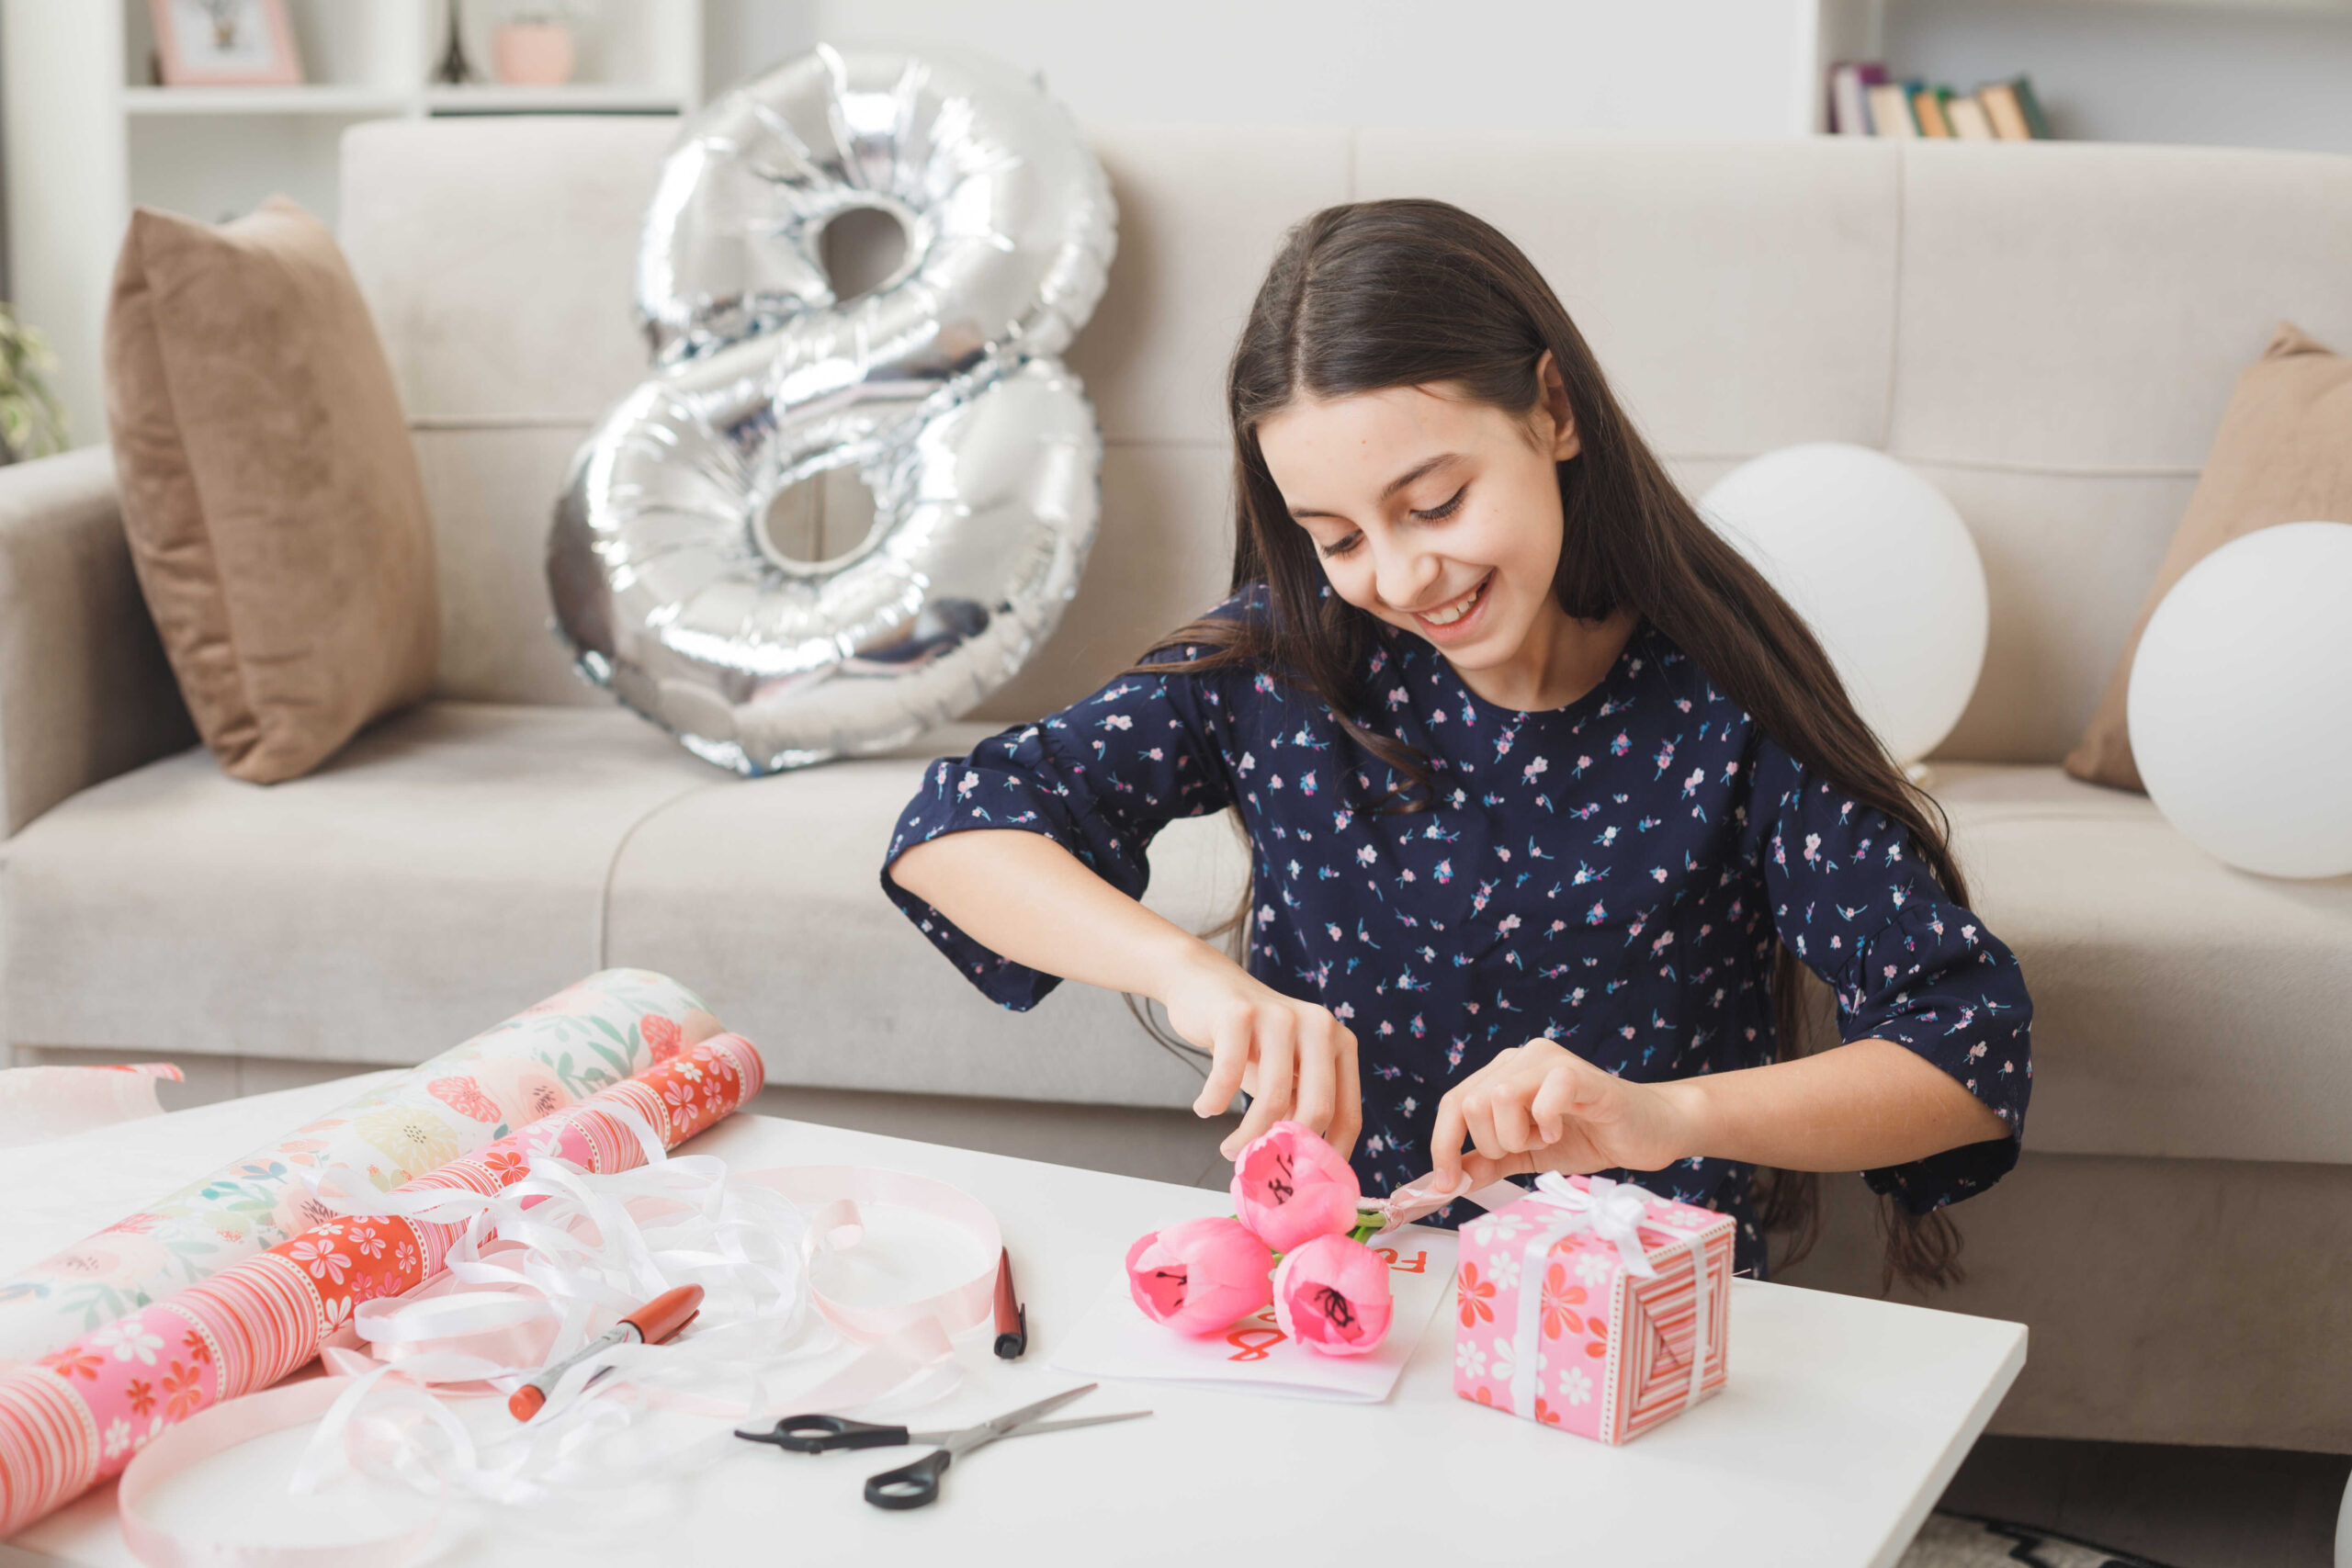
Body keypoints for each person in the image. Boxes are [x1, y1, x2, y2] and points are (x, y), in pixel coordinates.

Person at [883, 199, 2030, 1283]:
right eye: (1334, 537)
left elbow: (1964, 1057)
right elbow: (953, 831)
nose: (1399, 577)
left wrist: (1661, 1115)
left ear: (1553, 409)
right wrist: (1190, 979)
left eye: (1433, 504)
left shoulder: (1723, 704)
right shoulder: (1289, 660)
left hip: (1631, 1328)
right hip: (1343, 1299)